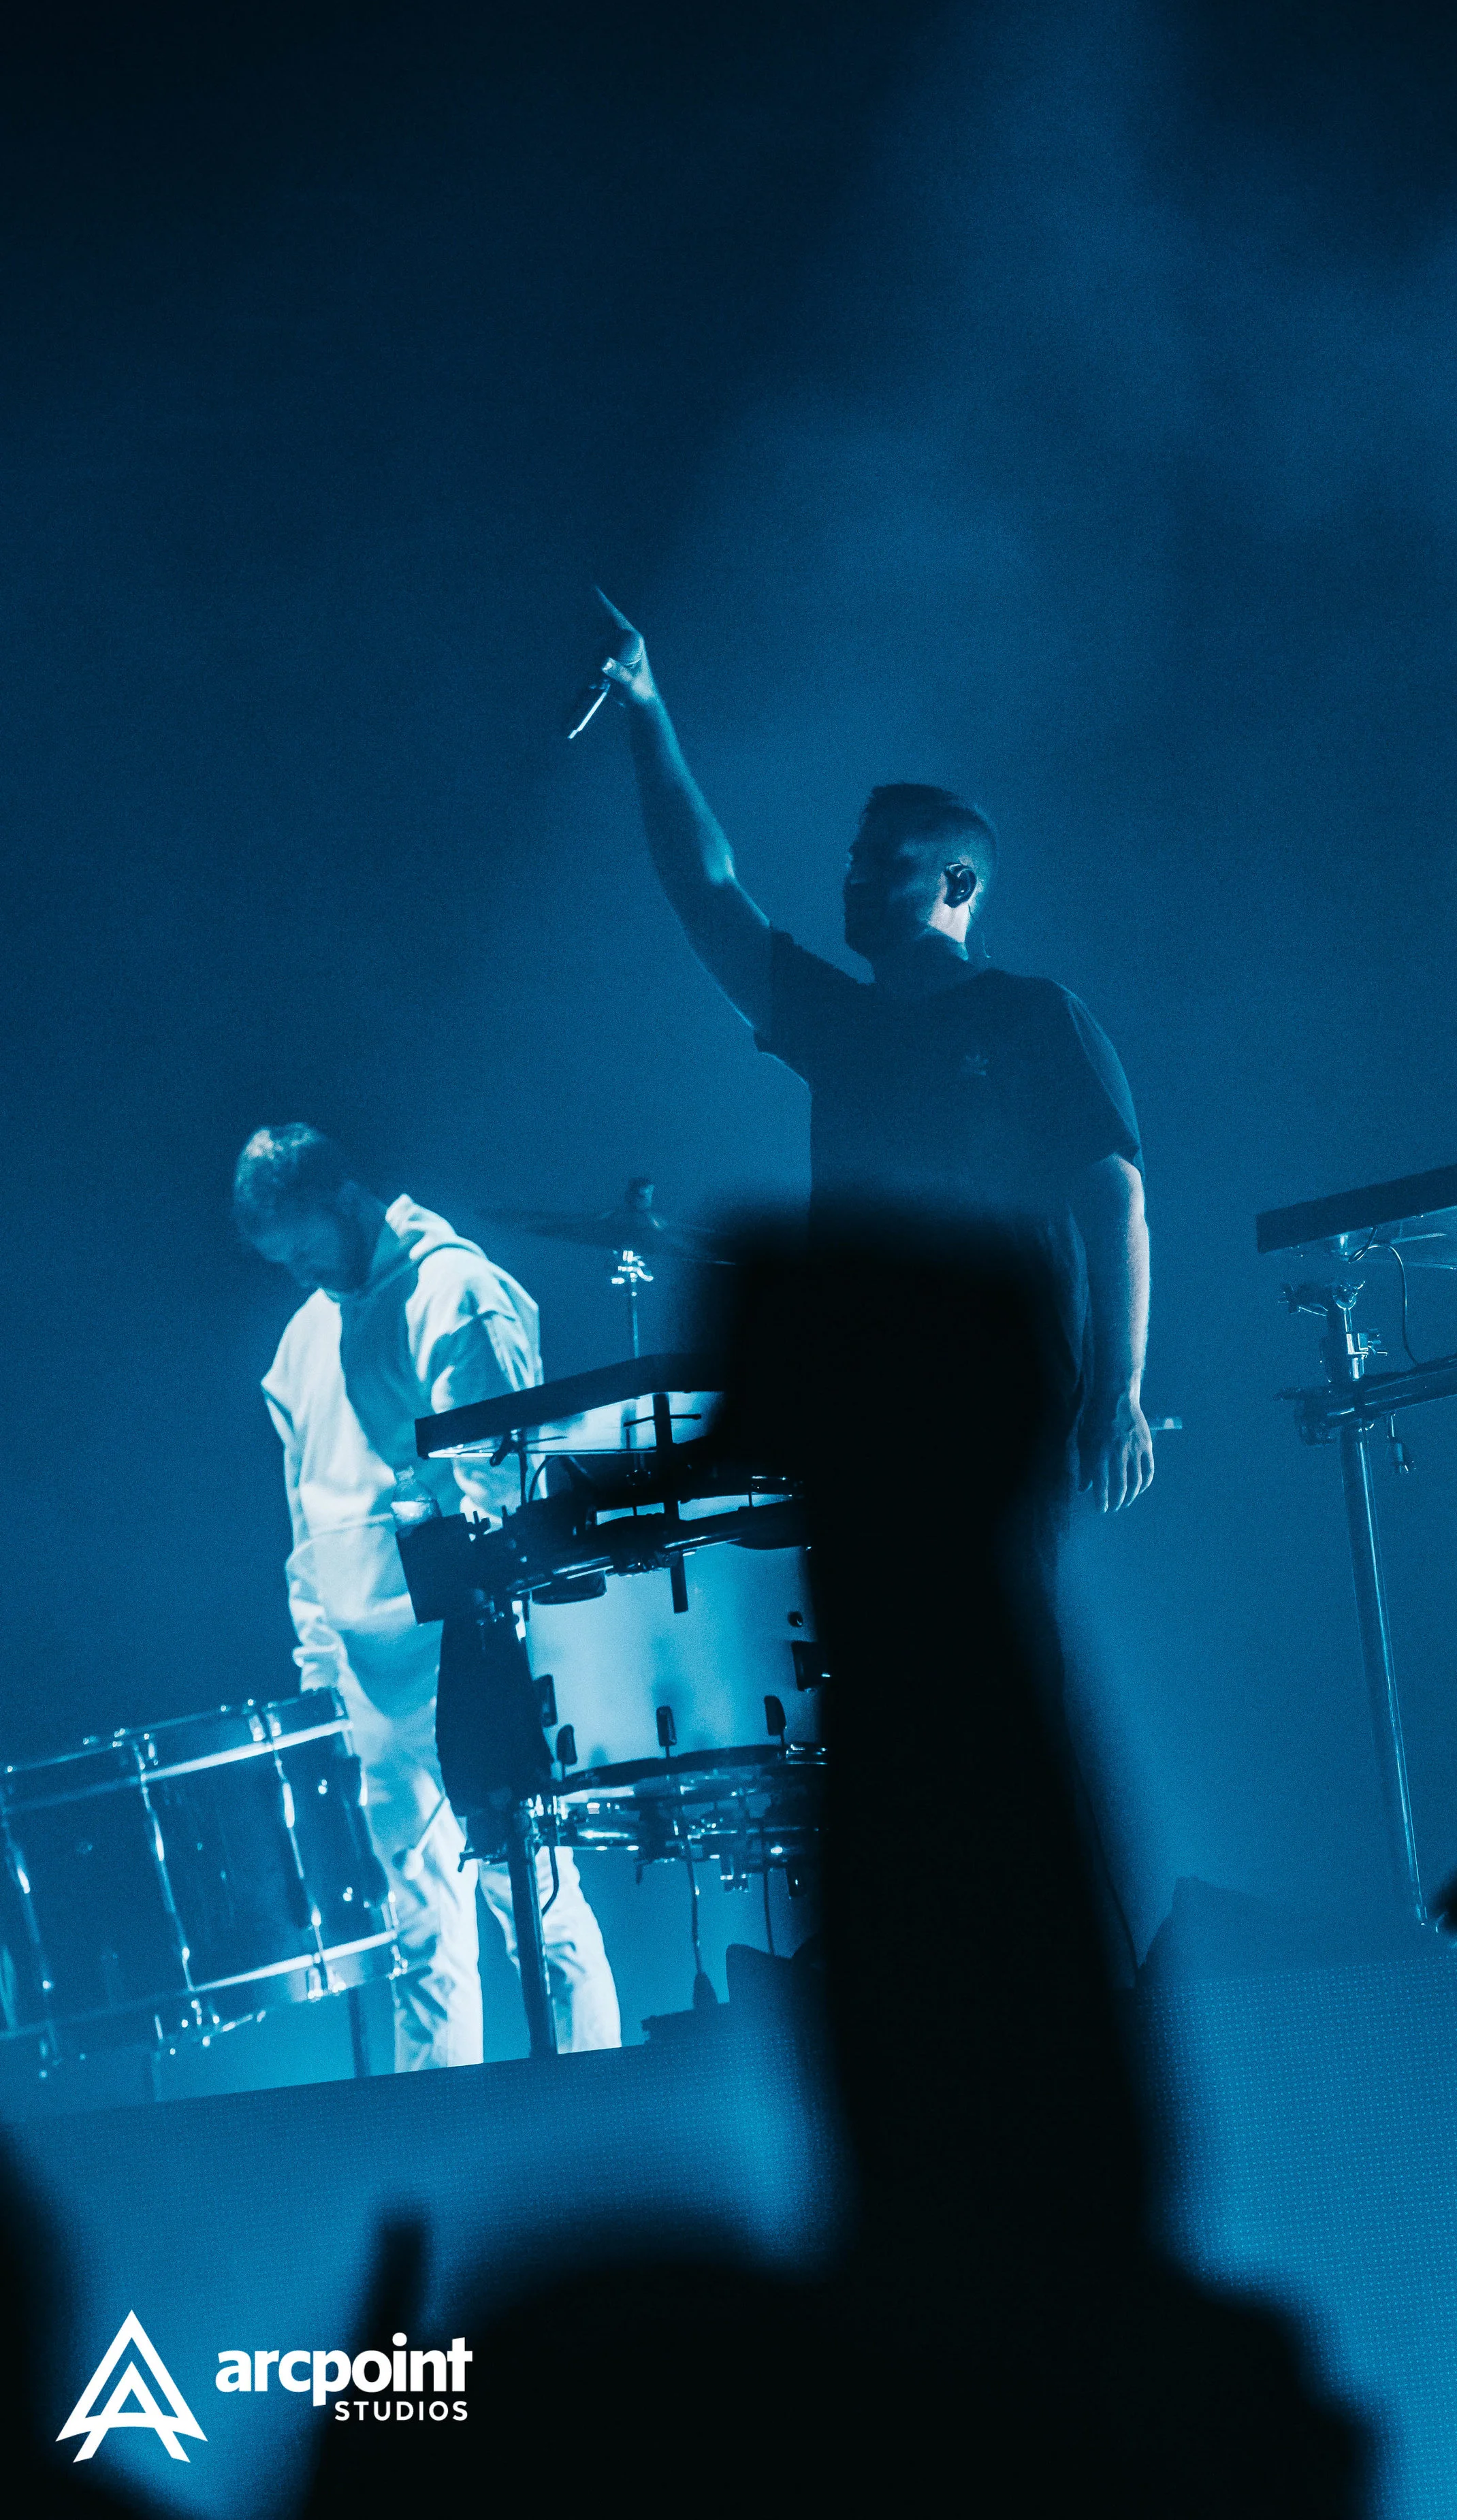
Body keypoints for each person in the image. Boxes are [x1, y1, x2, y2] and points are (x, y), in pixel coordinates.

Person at [591, 594, 1154, 1515]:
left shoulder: (1034, 1016)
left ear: (956, 882)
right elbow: (706, 890)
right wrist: (646, 707)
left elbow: (1115, 1200)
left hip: (1006, 1414)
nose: (852, 877)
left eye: (883, 861)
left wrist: (1117, 1392)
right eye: (851, 858)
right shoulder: (843, 1025)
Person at [234, 1124, 620, 2069]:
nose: (297, 1273)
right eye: (278, 1260)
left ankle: (598, 2090)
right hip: (368, 1674)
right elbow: (306, 1524)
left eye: (303, 1248)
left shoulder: (455, 1294)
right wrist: (319, 1662)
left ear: (346, 1199)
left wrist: (496, 1624)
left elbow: (508, 1481)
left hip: (467, 1651)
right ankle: (446, 2126)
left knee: (533, 1895)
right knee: (419, 1934)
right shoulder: (304, 1340)